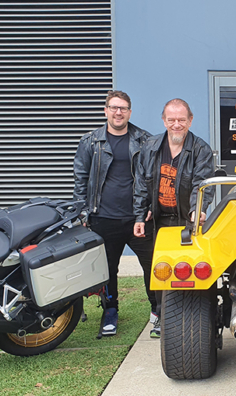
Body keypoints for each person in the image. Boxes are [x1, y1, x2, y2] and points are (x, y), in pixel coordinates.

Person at [73, 90, 157, 336]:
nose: (118, 112)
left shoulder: (145, 140)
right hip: (103, 218)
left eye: (123, 108)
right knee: (108, 270)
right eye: (114, 107)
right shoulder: (90, 141)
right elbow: (81, 179)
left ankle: (158, 309)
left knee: (152, 266)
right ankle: (110, 312)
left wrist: (150, 207)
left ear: (130, 112)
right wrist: (83, 213)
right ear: (106, 110)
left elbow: (154, 178)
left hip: (138, 218)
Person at [133, 98, 215, 338]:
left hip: (185, 219)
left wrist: (197, 208)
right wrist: (140, 215)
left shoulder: (200, 149)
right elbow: (141, 184)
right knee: (159, 271)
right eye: (172, 120)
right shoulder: (150, 147)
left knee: (186, 270)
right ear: (163, 120)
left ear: (190, 120)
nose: (176, 124)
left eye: (181, 119)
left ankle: (188, 319)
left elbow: (203, 184)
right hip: (158, 219)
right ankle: (161, 316)